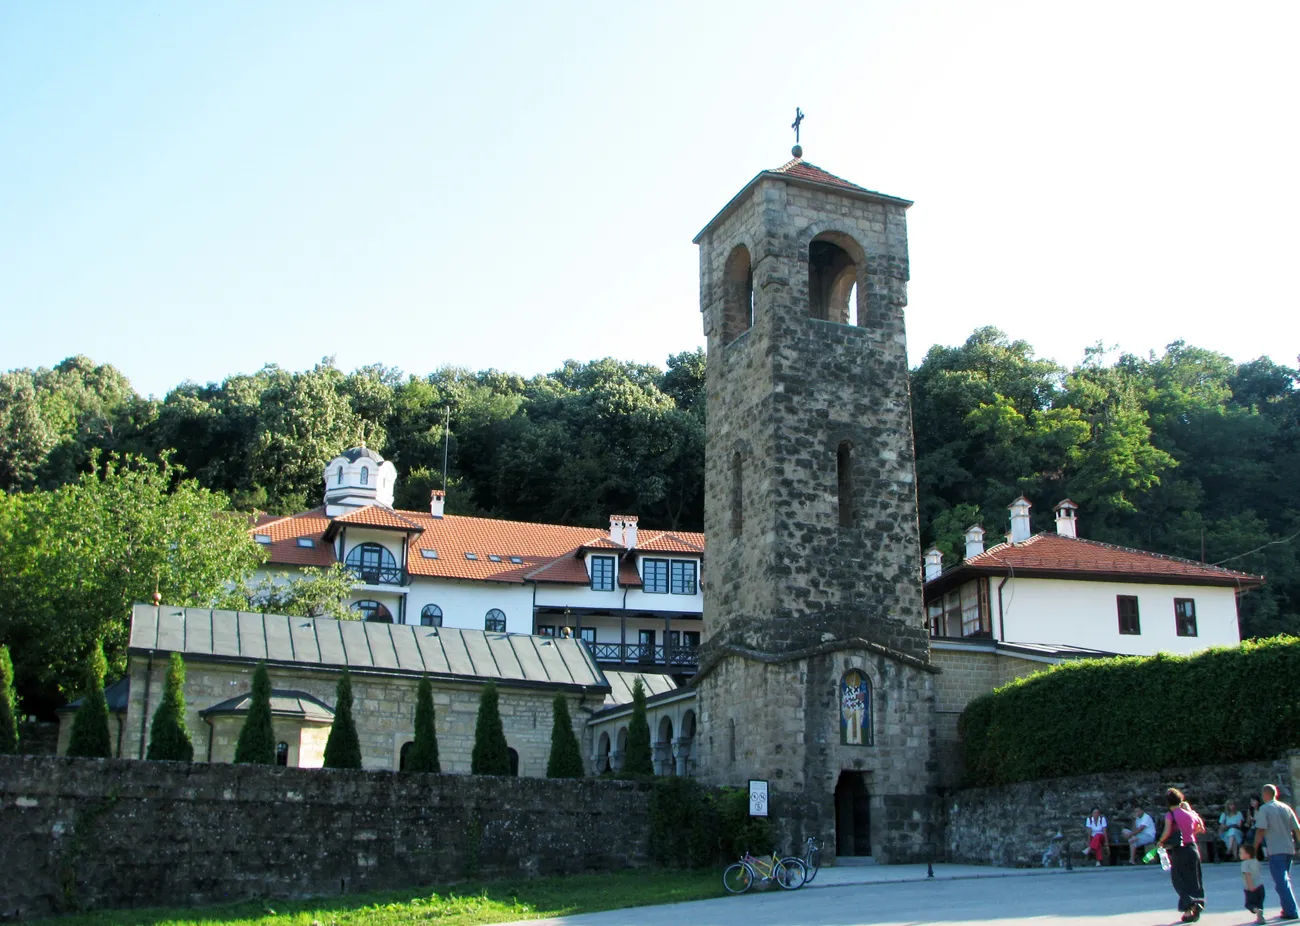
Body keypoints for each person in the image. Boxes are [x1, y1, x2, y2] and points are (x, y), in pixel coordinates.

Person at [1157, 787, 1206, 922]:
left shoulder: (1170, 815)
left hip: (1179, 850)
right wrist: (1188, 835)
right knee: (1194, 880)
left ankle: (1189, 908)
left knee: (1179, 879)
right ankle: (1197, 903)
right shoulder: (1190, 814)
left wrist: (1160, 842)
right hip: (1193, 848)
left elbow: (1167, 832)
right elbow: (1199, 828)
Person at [1253, 783, 1300, 921]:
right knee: (1283, 880)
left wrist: (1253, 848)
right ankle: (1287, 909)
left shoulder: (1265, 809)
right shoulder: (1286, 808)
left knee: (1281, 881)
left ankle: (1292, 910)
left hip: (1276, 849)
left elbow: (1260, 829)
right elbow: (1297, 828)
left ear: (1265, 794)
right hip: (1288, 848)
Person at [1241, 842, 1267, 924]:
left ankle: (1257, 912)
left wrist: (1250, 886)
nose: (1239, 854)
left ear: (1247, 854)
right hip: (1260, 886)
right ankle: (1260, 917)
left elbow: (1247, 875)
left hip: (1251, 888)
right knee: (1260, 903)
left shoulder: (1244, 864)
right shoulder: (1256, 861)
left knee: (1249, 904)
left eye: (1241, 852)